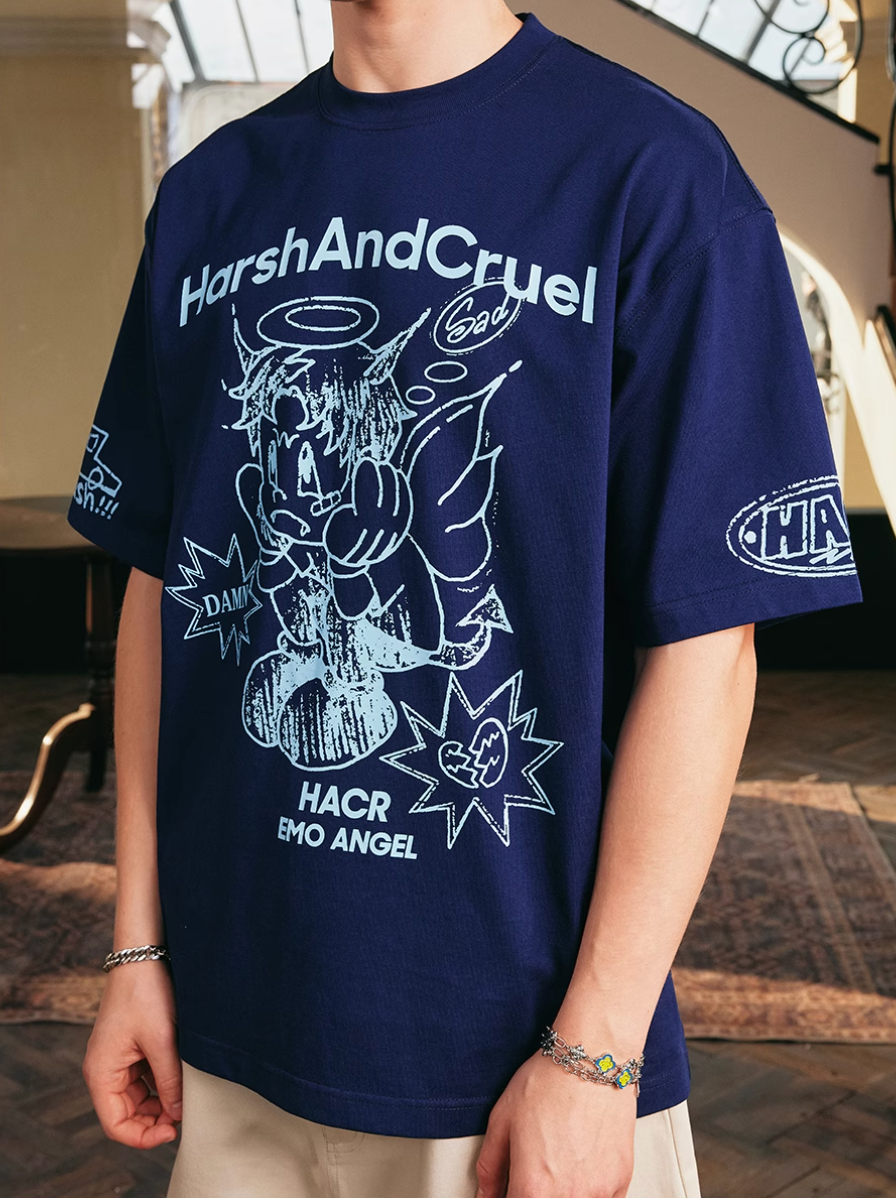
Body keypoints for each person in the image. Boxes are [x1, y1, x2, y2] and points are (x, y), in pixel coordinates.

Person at [67, 2, 863, 1195]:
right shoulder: (208, 195)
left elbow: (708, 647)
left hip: (521, 1066)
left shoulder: (654, 177)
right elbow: (159, 583)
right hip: (231, 1032)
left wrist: (595, 1048)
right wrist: (138, 945)